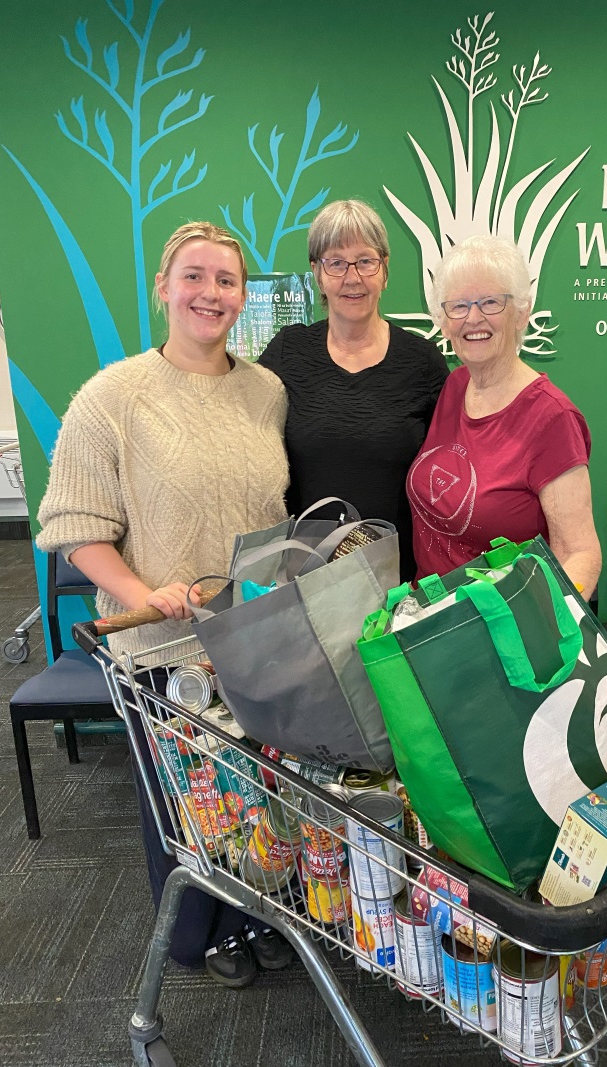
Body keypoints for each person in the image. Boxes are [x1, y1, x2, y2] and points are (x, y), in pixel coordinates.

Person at [37, 221, 294, 987]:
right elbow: (75, 531)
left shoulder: (267, 392)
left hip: (255, 639)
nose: (210, 293)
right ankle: (196, 936)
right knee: (186, 802)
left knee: (257, 793)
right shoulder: (112, 397)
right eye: (194, 276)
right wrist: (142, 593)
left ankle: (257, 914)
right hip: (164, 651)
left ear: (243, 295)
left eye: (225, 280)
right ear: (164, 287)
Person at [259, 199, 449, 581]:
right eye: (336, 262)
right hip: (303, 579)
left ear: (384, 269)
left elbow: (450, 468)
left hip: (398, 579)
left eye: (365, 261)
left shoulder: (422, 362)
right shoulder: (287, 352)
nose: (352, 277)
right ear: (317, 272)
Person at [407, 234, 601, 599]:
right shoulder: (455, 385)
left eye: (491, 302)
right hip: (429, 619)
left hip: (504, 630)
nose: (473, 318)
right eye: (459, 306)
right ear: (444, 321)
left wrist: (540, 627)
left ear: (522, 312)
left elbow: (580, 553)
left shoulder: (552, 418)